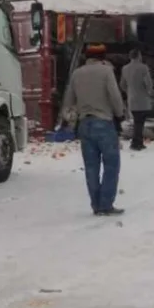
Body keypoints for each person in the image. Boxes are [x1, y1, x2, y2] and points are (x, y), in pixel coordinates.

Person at [60, 44, 126, 216]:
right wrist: (120, 114)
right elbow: (115, 96)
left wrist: (69, 119)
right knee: (111, 164)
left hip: (84, 124)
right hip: (103, 122)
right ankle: (106, 204)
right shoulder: (106, 72)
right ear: (103, 57)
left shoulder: (77, 74)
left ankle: (96, 205)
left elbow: (68, 100)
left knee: (91, 167)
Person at [120, 48, 153, 151]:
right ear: (139, 56)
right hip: (142, 99)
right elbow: (148, 83)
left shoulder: (125, 68)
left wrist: (128, 92)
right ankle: (137, 143)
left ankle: (137, 141)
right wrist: (149, 92)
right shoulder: (143, 68)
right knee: (140, 122)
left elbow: (122, 84)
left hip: (132, 99)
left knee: (136, 121)